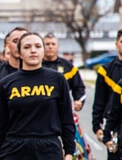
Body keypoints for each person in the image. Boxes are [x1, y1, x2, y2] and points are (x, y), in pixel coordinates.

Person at [0, 32, 75, 160]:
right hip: (14, 148)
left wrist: (69, 152)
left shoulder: (57, 79)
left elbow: (67, 119)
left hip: (48, 148)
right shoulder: (6, 83)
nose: (33, 51)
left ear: (43, 50)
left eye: (37, 46)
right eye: (27, 47)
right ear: (19, 53)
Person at [92, 30, 122, 160]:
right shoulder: (106, 70)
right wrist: (97, 126)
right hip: (114, 125)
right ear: (116, 44)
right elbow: (99, 100)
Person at [42, 32, 86, 111]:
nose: (50, 47)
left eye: (53, 44)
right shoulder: (35, 65)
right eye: (47, 44)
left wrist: (79, 101)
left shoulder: (68, 67)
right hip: (40, 109)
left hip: (62, 109)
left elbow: (79, 87)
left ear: (58, 46)